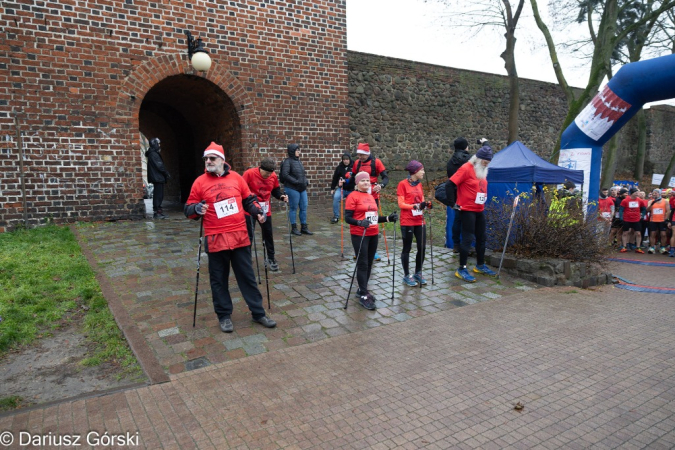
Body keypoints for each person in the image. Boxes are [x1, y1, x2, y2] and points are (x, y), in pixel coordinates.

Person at [184, 142, 276, 333]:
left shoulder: (236, 178)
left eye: (212, 158)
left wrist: (257, 211)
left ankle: (258, 313)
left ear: (222, 160)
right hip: (215, 239)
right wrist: (196, 209)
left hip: (239, 236)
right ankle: (224, 315)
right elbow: (188, 208)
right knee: (218, 280)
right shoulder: (199, 182)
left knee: (248, 277)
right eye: (206, 159)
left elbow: (248, 199)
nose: (208, 161)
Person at [344, 171, 398, 310]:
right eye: (363, 181)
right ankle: (363, 295)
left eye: (368, 180)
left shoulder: (370, 196)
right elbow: (347, 218)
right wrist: (359, 222)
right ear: (357, 183)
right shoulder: (352, 196)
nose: (366, 183)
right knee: (362, 263)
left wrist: (387, 218)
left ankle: (362, 289)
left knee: (369, 262)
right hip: (359, 234)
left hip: (373, 233)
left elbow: (373, 218)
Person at [446, 144, 497, 282]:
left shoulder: (483, 169)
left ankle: (480, 265)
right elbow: (450, 184)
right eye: (485, 162)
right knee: (468, 238)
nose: (487, 164)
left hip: (479, 209)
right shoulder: (466, 168)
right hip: (467, 209)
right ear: (478, 159)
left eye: (489, 162)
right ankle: (461, 268)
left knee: (482, 237)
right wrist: (452, 203)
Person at [243, 158, 289, 271]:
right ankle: (246, 259)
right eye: (266, 172)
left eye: (270, 173)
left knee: (268, 234)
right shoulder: (249, 174)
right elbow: (241, 189)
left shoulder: (272, 176)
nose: (268, 175)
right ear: (260, 168)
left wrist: (281, 196)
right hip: (250, 208)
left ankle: (271, 258)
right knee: (249, 235)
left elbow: (275, 190)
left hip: (265, 209)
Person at [346, 142, 389, 260]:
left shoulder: (376, 162)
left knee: (372, 222)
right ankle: (359, 248)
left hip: (372, 195)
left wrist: (381, 185)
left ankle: (372, 250)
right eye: (358, 155)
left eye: (362, 155)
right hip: (359, 195)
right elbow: (353, 177)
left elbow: (386, 177)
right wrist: (345, 182)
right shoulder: (357, 163)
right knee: (359, 220)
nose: (359, 157)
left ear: (367, 153)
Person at [397, 160, 430, 287]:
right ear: (415, 172)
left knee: (422, 247)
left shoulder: (419, 185)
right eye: (421, 170)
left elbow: (421, 201)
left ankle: (418, 272)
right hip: (407, 220)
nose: (423, 172)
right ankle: (406, 275)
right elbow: (401, 204)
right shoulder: (402, 184)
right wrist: (415, 207)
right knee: (407, 248)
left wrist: (425, 205)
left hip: (419, 220)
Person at [446, 137, 472, 254]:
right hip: (467, 193)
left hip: (456, 194)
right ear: (465, 147)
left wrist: (452, 201)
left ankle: (456, 244)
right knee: (469, 220)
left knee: (457, 220)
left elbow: (450, 181)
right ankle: (468, 245)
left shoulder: (450, 162)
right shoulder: (470, 160)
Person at [280, 143, 312, 236]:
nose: (299, 152)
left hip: (302, 188)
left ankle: (304, 227)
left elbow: (302, 174)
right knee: (293, 208)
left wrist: (305, 181)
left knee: (304, 207)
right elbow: (285, 175)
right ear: (292, 151)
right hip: (292, 188)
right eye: (297, 150)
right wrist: (296, 181)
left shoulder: (299, 161)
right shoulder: (287, 162)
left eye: (299, 150)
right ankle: (294, 228)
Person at [145, 138, 171, 219]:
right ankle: (157, 212)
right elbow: (159, 166)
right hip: (157, 177)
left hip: (157, 177)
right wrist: (166, 173)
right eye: (158, 144)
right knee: (158, 196)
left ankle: (158, 211)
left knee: (158, 195)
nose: (159, 145)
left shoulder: (153, 154)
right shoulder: (153, 154)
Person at [619, 188, 646, 253]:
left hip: (636, 219)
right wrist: (621, 218)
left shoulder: (640, 200)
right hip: (627, 219)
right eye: (636, 192)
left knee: (638, 233)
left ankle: (638, 247)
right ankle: (624, 246)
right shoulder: (625, 200)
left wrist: (642, 216)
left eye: (638, 192)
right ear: (632, 193)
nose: (637, 194)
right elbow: (621, 210)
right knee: (625, 232)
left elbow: (644, 209)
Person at [330, 153, 353, 223]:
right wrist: (332, 188)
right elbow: (335, 178)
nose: (345, 161)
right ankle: (336, 216)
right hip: (342, 189)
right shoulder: (339, 167)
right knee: (336, 197)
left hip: (351, 189)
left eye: (347, 159)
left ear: (349, 159)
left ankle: (350, 216)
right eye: (344, 160)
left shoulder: (354, 167)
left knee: (352, 201)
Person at [646, 188, 671, 254]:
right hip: (653, 220)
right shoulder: (650, 201)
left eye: (656, 193)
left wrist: (666, 219)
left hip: (662, 220)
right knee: (653, 234)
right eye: (653, 193)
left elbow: (668, 211)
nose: (654, 194)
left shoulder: (665, 201)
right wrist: (651, 204)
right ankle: (652, 247)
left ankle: (662, 247)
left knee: (663, 234)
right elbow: (647, 210)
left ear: (659, 194)